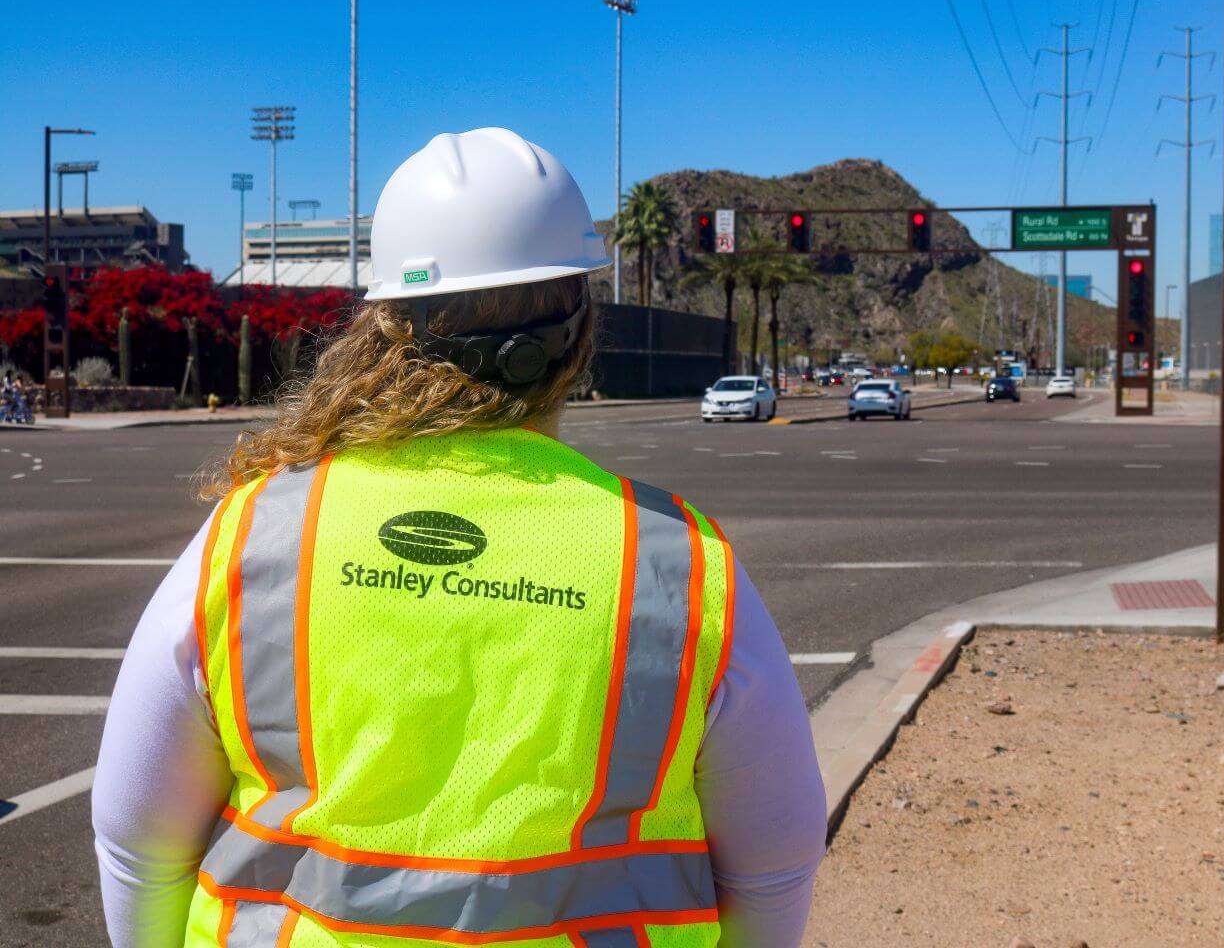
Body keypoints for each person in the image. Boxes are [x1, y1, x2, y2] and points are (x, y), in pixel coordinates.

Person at [93, 128, 825, 947]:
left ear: (386, 328)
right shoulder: (682, 566)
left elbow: (137, 840)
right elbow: (777, 862)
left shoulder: (248, 537)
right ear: (579, 335)